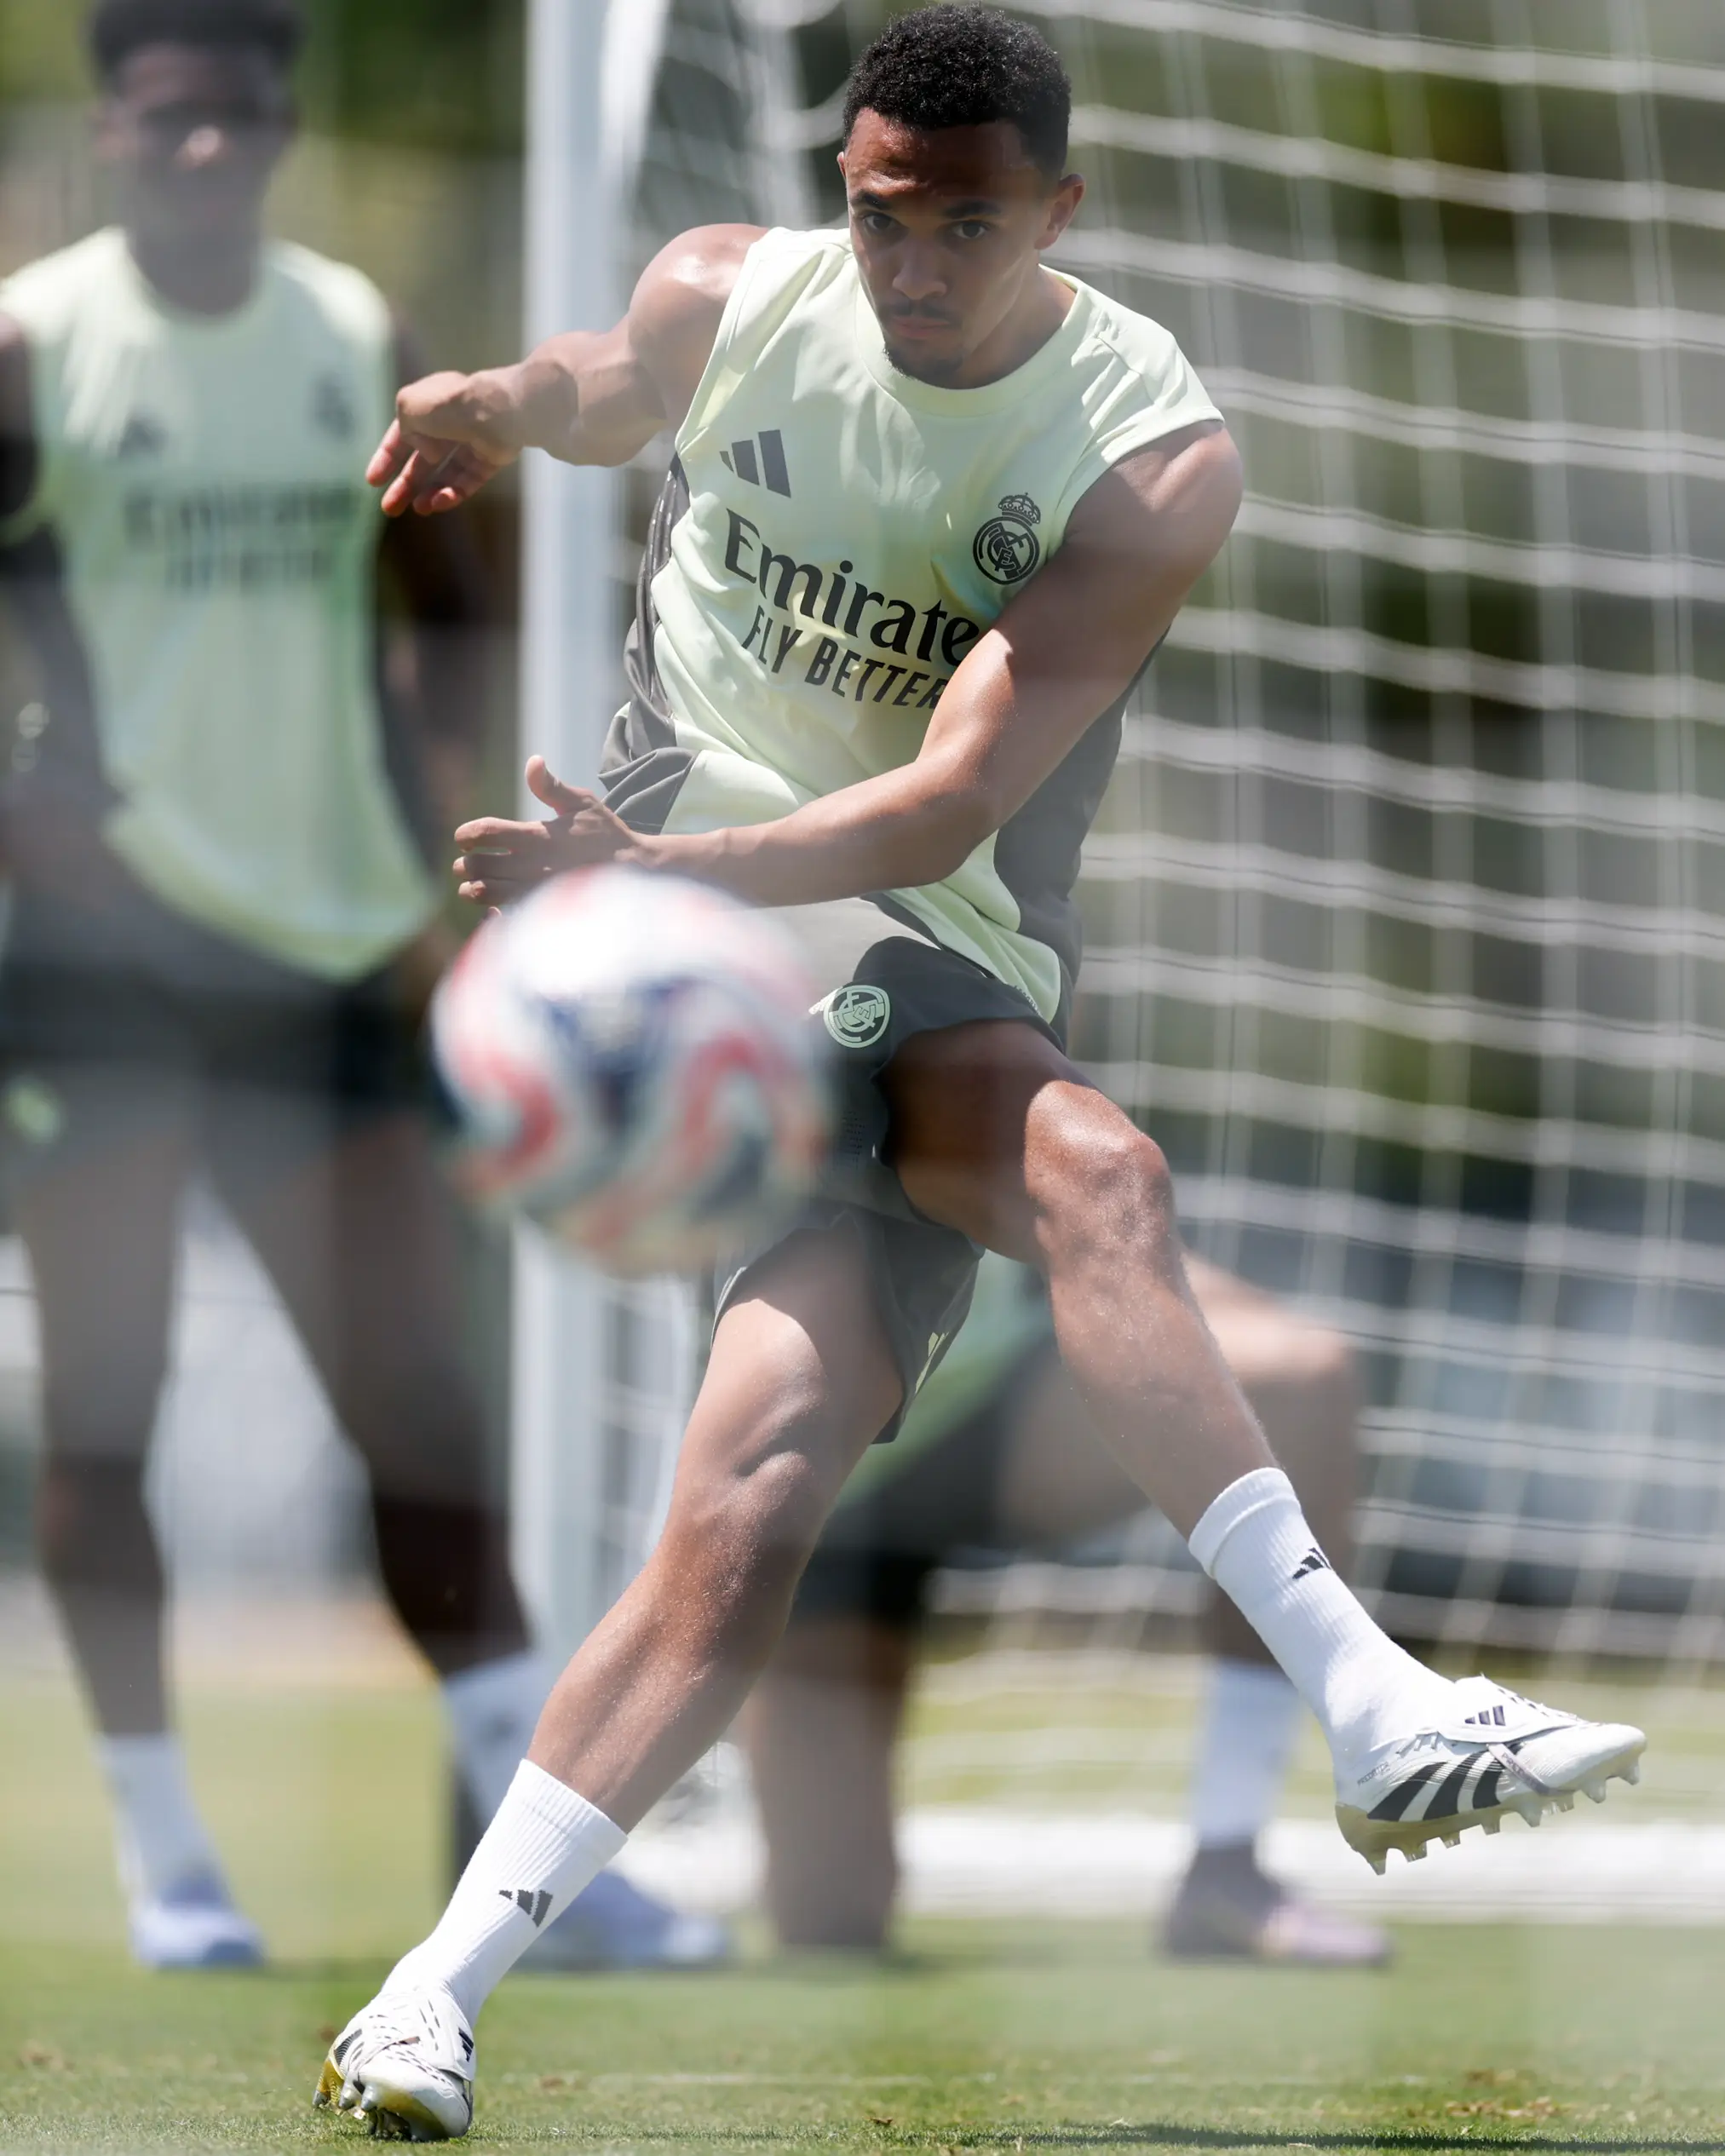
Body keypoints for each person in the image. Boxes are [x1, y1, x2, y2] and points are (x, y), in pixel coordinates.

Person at [319, 6, 1643, 2136]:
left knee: (804, 1456)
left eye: (956, 225)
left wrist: (668, 860)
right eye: (874, 213)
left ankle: (429, 1983)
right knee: (1011, 1252)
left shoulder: (1146, 455)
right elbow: (609, 379)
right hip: (696, 964)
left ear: (1055, 214)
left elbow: (942, 809)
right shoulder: (739, 293)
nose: (906, 262)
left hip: (885, 924)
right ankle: (1370, 1700)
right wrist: (498, 394)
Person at [0, 0, 721, 1975]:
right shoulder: (36, 346)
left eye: (238, 123)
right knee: (106, 1418)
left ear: (282, 124)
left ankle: (543, 1868)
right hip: (102, 975)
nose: (205, 156)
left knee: (414, 1410)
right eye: (167, 127)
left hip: (324, 963)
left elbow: (440, 621)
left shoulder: (350, 338)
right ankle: (166, 1864)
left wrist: (434, 860)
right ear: (114, 131)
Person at [746, 1251, 1389, 1966]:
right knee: (830, 1920)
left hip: (997, 1400)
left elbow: (1057, 1202)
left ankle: (1227, 1862)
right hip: (824, 1475)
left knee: (1297, 1376)